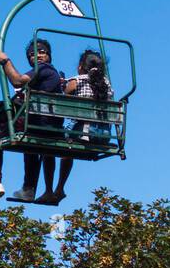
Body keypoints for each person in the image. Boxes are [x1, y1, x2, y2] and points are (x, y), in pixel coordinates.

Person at [0, 38, 65, 205]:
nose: (37, 56)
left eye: (41, 52)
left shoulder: (44, 69)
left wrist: (6, 61)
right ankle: (28, 189)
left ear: (48, 55)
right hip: (50, 126)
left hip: (37, 122)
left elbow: (17, 80)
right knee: (31, 148)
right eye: (32, 54)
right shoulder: (51, 74)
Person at [38, 49, 114, 206]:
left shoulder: (76, 80)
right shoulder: (106, 83)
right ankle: (60, 189)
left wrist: (61, 83)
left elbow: (61, 98)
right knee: (68, 149)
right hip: (103, 136)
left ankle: (49, 190)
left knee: (50, 145)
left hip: (82, 134)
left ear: (80, 66)